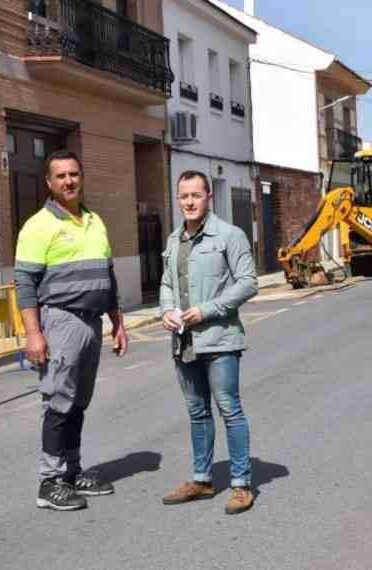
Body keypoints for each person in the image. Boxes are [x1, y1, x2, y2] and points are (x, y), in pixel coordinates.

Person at [15, 149, 128, 511]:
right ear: (49, 183)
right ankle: (49, 482)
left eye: (74, 174)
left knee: (78, 402)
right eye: (61, 176)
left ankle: (72, 471)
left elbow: (107, 275)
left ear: (82, 177)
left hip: (92, 322)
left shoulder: (95, 220)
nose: (69, 181)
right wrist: (33, 334)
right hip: (61, 320)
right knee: (58, 403)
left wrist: (118, 322)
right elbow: (25, 283)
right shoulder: (38, 225)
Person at [160, 170, 258, 515]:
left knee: (229, 409)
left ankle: (241, 484)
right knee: (197, 412)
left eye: (196, 195)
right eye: (183, 196)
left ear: (208, 198)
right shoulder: (174, 241)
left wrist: (207, 310)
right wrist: (166, 311)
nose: (189, 202)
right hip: (183, 341)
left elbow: (248, 283)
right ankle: (202, 479)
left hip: (220, 340)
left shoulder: (230, 236)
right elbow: (166, 284)